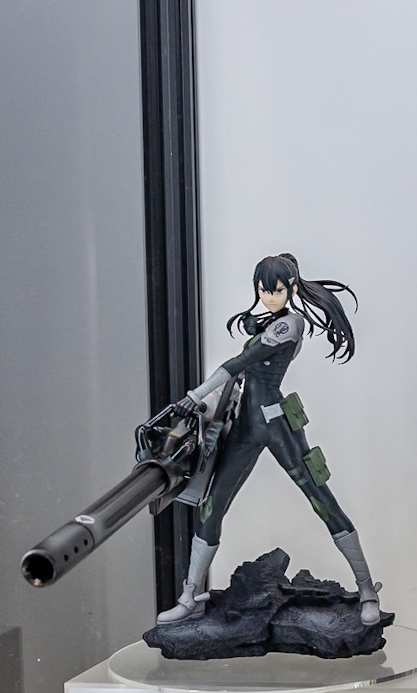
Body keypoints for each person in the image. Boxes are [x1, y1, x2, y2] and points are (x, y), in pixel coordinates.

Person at [156, 253, 382, 626]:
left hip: (276, 423)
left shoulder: (291, 324)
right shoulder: (270, 322)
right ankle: (190, 595)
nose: (268, 296)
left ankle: (368, 590)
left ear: (290, 288)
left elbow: (239, 363)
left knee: (321, 499)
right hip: (247, 425)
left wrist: (195, 395)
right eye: (262, 290)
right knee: (212, 506)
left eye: (275, 290)